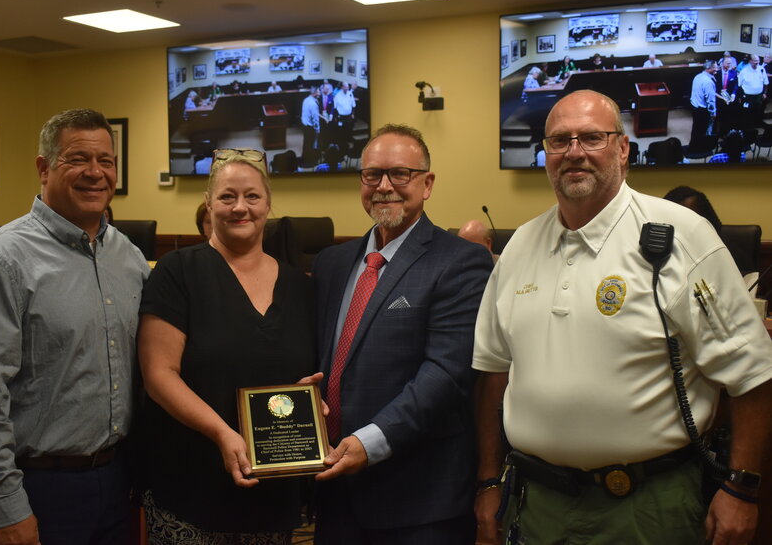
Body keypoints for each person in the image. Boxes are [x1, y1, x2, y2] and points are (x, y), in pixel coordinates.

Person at [473, 90, 772, 545]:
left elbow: (753, 374)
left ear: (623, 148)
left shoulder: (681, 236)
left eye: (592, 138)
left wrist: (742, 489)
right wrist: (489, 481)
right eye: (559, 141)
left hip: (647, 506)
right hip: (535, 503)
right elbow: (494, 371)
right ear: (545, 153)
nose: (574, 152)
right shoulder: (519, 247)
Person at [0, 108, 151, 545]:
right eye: (78, 159)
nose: (96, 173)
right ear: (44, 168)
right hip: (35, 488)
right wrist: (3, 503)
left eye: (106, 161)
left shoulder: (128, 257)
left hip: (117, 482)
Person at [312, 124, 493, 544]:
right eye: (372, 175)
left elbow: (446, 374)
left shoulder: (461, 263)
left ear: (427, 184)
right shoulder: (331, 264)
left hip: (419, 503)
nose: (384, 186)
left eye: (400, 174)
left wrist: (369, 442)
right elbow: (324, 358)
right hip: (335, 491)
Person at [137, 149, 317, 544]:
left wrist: (316, 402)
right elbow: (158, 375)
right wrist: (222, 433)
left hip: (272, 490)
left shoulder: (302, 287)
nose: (240, 208)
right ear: (209, 204)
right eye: (227, 197)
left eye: (252, 197)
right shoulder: (178, 271)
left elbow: (311, 372)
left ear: (269, 205)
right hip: (191, 487)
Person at [689, 60, 718, 148]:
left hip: (694, 107)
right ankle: (700, 149)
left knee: (696, 129)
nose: (717, 69)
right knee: (703, 130)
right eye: (716, 67)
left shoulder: (698, 76)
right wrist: (713, 113)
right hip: (702, 110)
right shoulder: (708, 82)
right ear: (709, 68)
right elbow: (710, 101)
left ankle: (693, 145)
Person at [737, 54, 769, 130]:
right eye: (755, 61)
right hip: (747, 97)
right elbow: (739, 85)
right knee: (747, 114)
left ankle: (754, 128)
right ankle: (745, 129)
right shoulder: (744, 71)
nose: (757, 62)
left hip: (758, 96)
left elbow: (766, 82)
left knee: (757, 112)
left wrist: (765, 93)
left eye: (758, 61)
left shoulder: (761, 69)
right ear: (750, 61)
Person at [716, 56, 739, 136]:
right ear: (722, 64)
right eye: (728, 63)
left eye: (730, 63)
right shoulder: (717, 73)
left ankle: (725, 133)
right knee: (717, 117)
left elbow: (735, 86)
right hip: (718, 98)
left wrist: (733, 94)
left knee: (728, 116)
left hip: (729, 98)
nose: (729, 64)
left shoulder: (734, 73)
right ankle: (716, 134)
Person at [301, 86, 321, 167]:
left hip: (304, 125)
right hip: (310, 127)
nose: (319, 93)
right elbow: (315, 118)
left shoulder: (306, 99)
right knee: (310, 144)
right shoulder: (313, 103)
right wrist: (317, 129)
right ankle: (309, 162)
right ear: (314, 93)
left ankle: (304, 159)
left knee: (306, 143)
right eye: (318, 91)